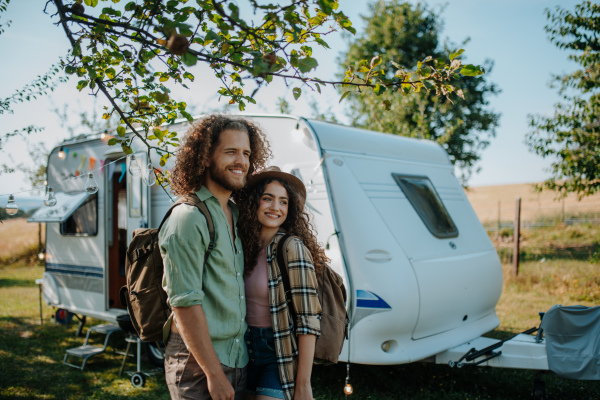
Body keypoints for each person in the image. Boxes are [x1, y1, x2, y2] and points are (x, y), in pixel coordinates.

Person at [159, 114, 271, 400]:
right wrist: (214, 374)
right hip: (198, 365)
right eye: (231, 151)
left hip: (238, 357)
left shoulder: (235, 213)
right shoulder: (189, 217)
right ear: (206, 156)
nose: (241, 161)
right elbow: (185, 303)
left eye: (246, 153)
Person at [235, 167, 326, 400]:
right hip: (242, 352)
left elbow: (308, 321)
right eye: (268, 198)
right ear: (254, 202)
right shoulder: (242, 246)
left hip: (278, 353)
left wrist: (303, 384)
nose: (275, 207)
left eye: (283, 202)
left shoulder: (291, 247)